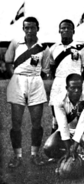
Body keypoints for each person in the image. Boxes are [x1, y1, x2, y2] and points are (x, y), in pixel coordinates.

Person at [5, 16, 50, 168]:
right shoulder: (15, 43)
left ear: (38, 28)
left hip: (35, 82)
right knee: (16, 123)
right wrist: (15, 77)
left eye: (32, 27)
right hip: (17, 82)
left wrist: (35, 78)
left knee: (36, 123)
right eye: (26, 27)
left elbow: (45, 69)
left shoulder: (44, 47)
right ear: (23, 29)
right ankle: (17, 156)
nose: (29, 30)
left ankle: (35, 155)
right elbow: (8, 62)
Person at [47, 19, 84, 134]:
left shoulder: (80, 48)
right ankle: (55, 146)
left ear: (73, 31)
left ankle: (76, 144)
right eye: (63, 28)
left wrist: (82, 84)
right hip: (59, 84)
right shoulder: (54, 48)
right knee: (56, 116)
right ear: (59, 30)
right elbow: (52, 67)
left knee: (75, 116)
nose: (66, 30)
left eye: (69, 28)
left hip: (75, 85)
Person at [43, 74, 84, 166]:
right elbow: (63, 124)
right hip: (65, 129)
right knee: (48, 148)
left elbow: (82, 124)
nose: (77, 91)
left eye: (79, 88)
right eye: (73, 88)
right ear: (67, 88)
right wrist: (68, 149)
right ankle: (67, 156)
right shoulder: (58, 100)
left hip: (83, 131)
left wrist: (74, 146)